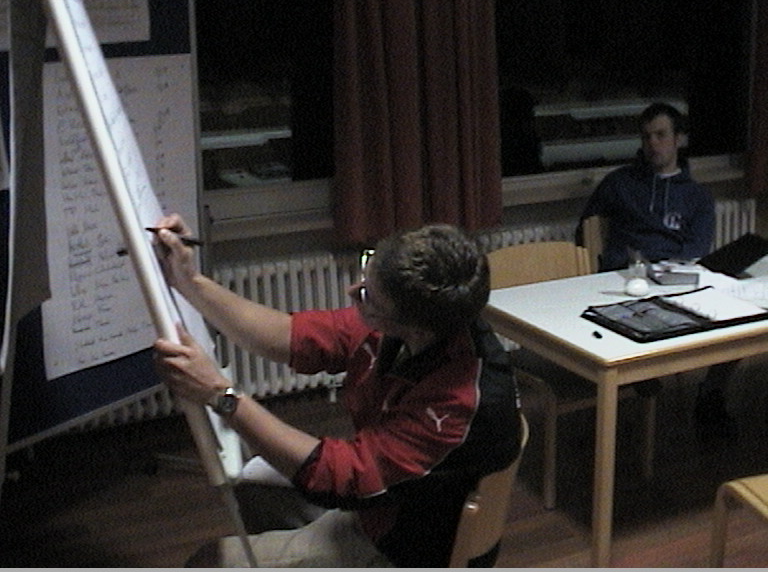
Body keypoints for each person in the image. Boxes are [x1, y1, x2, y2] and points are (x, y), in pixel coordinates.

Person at [151, 216, 522, 568]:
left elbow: (338, 479)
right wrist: (190, 280)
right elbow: (291, 337)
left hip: (404, 543)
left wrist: (222, 396)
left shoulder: (459, 403)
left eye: (368, 297)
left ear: (413, 328)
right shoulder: (423, 318)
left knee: (209, 562)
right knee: (252, 485)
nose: (353, 292)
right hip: (391, 501)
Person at [576, 102, 736, 443]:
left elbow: (697, 248)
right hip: (623, 280)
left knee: (733, 325)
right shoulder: (620, 183)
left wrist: (665, 267)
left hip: (673, 280)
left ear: (679, 139)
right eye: (647, 137)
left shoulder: (697, 196)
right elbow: (585, 228)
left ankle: (711, 393)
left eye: (661, 135)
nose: (653, 144)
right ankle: (634, 384)